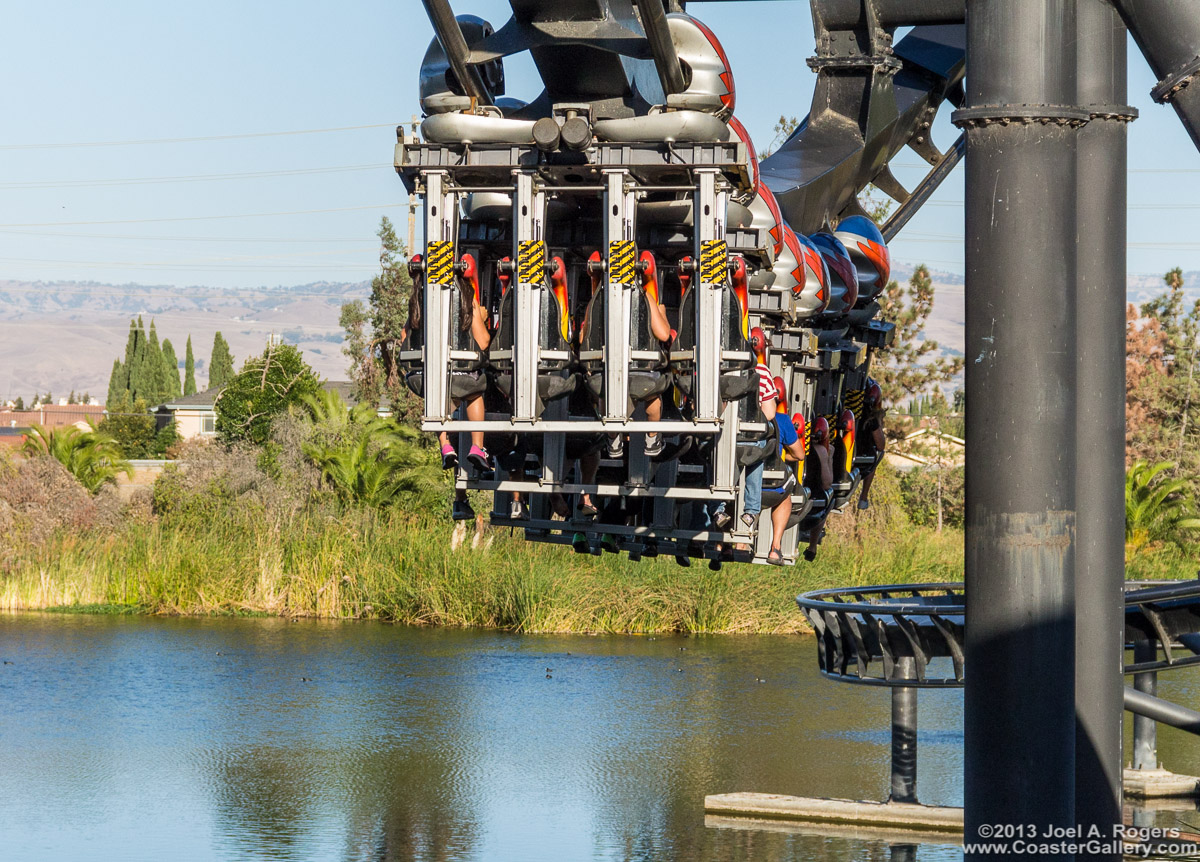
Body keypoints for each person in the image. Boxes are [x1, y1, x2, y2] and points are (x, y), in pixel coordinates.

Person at [436, 253, 493, 521]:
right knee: (474, 391)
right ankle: (477, 446)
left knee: (445, 402)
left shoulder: (428, 300)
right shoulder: (468, 300)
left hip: (434, 376)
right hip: (463, 373)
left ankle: (445, 444)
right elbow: (482, 342)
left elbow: (404, 335)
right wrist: (480, 317)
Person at [762, 376, 808, 565]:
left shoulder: (736, 418)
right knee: (786, 492)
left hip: (741, 483)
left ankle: (724, 546)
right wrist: (782, 456)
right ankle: (776, 547)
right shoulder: (781, 420)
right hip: (770, 487)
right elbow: (799, 455)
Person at [803, 416, 835, 561]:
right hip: (811, 510)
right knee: (828, 496)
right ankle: (812, 545)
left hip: (794, 495)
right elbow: (827, 483)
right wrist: (829, 458)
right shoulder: (822, 451)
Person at [857, 380, 887, 510]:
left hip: (848, 456)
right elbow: (881, 445)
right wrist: (878, 422)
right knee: (878, 454)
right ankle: (864, 496)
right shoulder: (870, 420)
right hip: (861, 458)